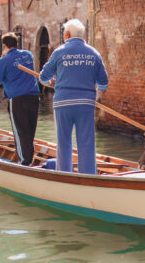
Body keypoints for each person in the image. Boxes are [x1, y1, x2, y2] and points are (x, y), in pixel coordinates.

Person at [39, 19, 108, 174]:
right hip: (85, 104)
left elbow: (43, 77)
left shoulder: (59, 52)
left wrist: (50, 83)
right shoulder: (93, 53)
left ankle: (64, 175)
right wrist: (97, 97)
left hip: (63, 103)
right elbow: (103, 82)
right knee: (87, 143)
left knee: (64, 143)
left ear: (67, 34)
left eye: (64, 33)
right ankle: (89, 175)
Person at [0, 32, 40, 166]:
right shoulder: (28, 55)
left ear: (4, 45)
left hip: (17, 99)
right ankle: (29, 158)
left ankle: (25, 162)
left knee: (21, 131)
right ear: (16, 43)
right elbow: (21, 60)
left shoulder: (4, 61)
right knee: (29, 130)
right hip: (34, 97)